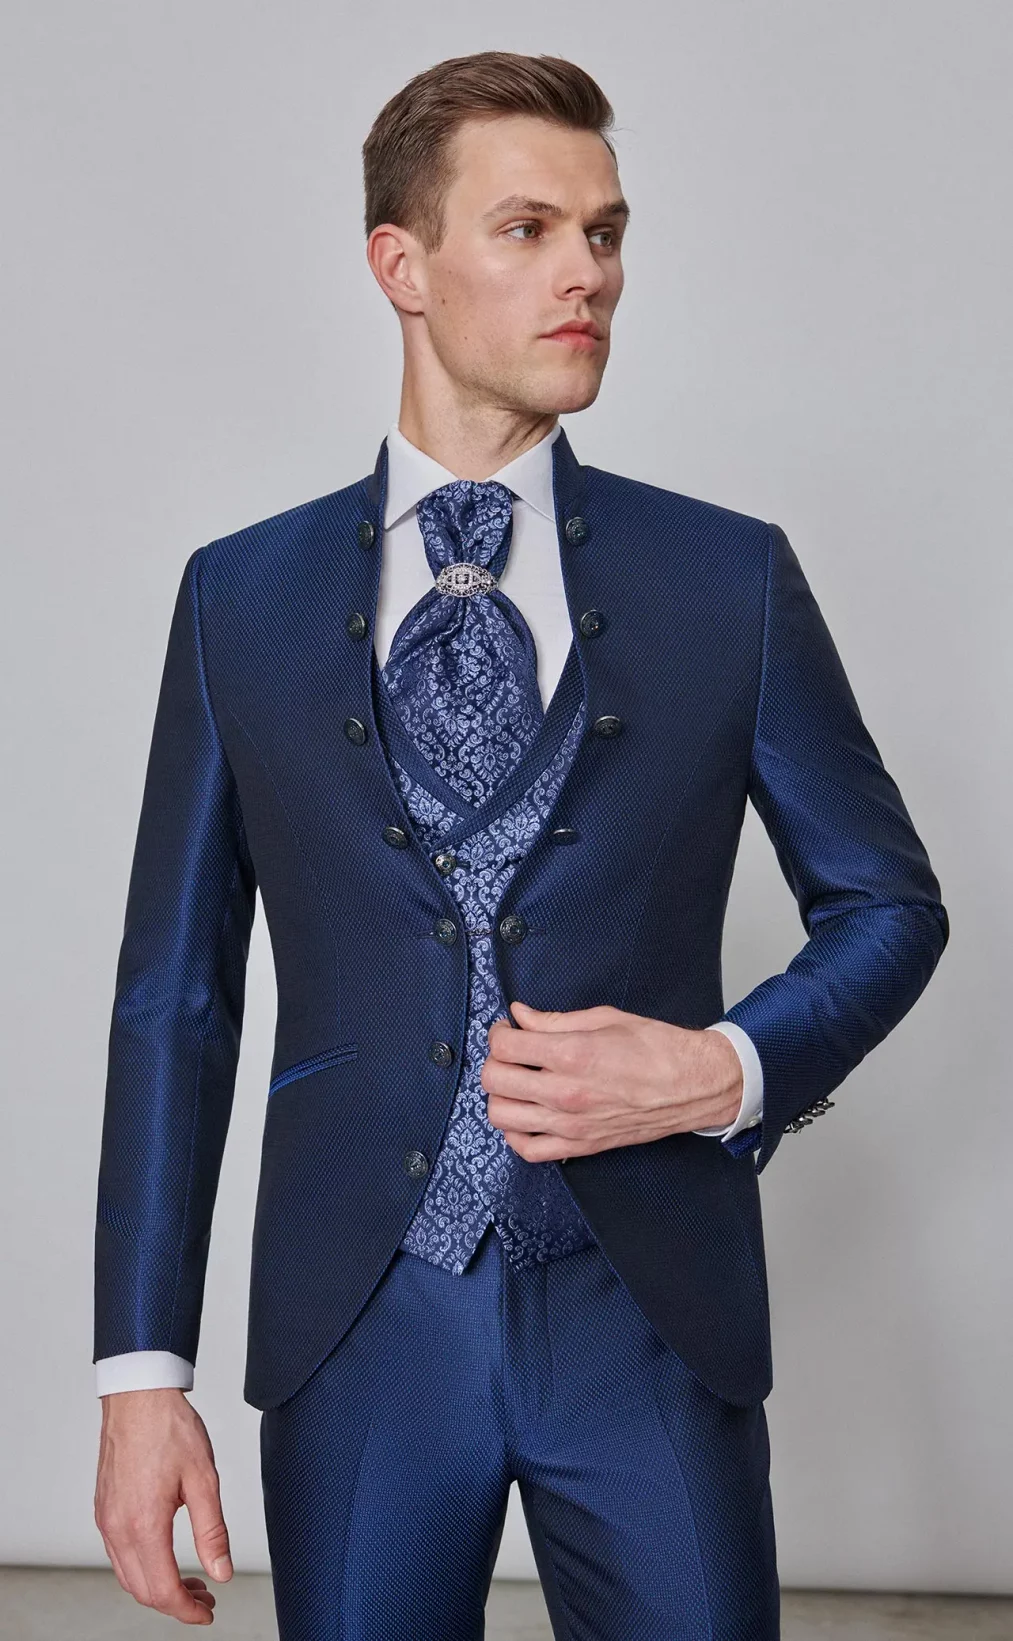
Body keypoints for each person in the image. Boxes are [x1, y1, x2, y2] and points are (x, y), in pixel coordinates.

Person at [92, 50, 949, 1639]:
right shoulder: (242, 600)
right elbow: (174, 1001)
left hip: (648, 1318)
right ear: (400, 264)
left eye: (606, 234)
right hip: (363, 1329)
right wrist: (142, 1376)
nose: (588, 274)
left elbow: (890, 905)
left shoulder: (726, 583)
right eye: (530, 229)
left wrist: (726, 1070)